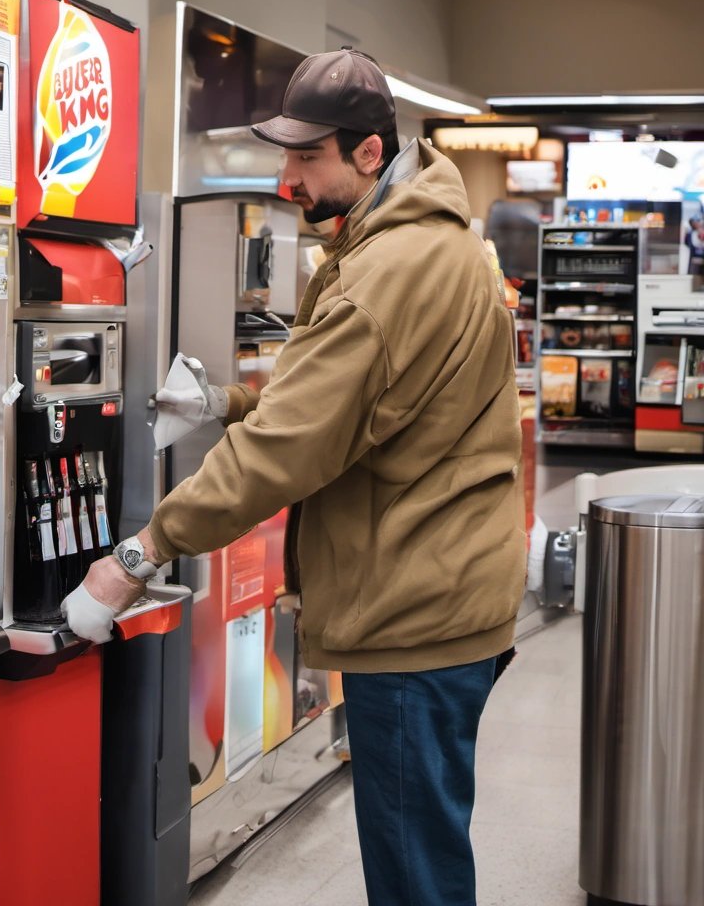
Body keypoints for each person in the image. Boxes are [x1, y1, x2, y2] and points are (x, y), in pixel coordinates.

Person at [62, 47, 526, 906]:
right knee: (426, 845)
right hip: (454, 590)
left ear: (369, 153)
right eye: (284, 156)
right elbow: (373, 403)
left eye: (306, 157)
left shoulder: (383, 275)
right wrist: (234, 401)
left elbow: (290, 448)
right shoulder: (435, 244)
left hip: (413, 614)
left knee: (413, 875)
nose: (287, 181)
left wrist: (136, 557)